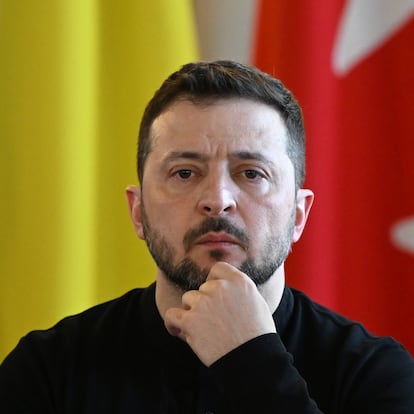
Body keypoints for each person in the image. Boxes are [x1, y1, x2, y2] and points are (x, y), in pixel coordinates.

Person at [0, 60, 413, 414]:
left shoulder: (374, 374)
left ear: (298, 215)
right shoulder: (47, 371)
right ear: (138, 211)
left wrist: (252, 363)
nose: (217, 200)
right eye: (184, 172)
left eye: (251, 173)